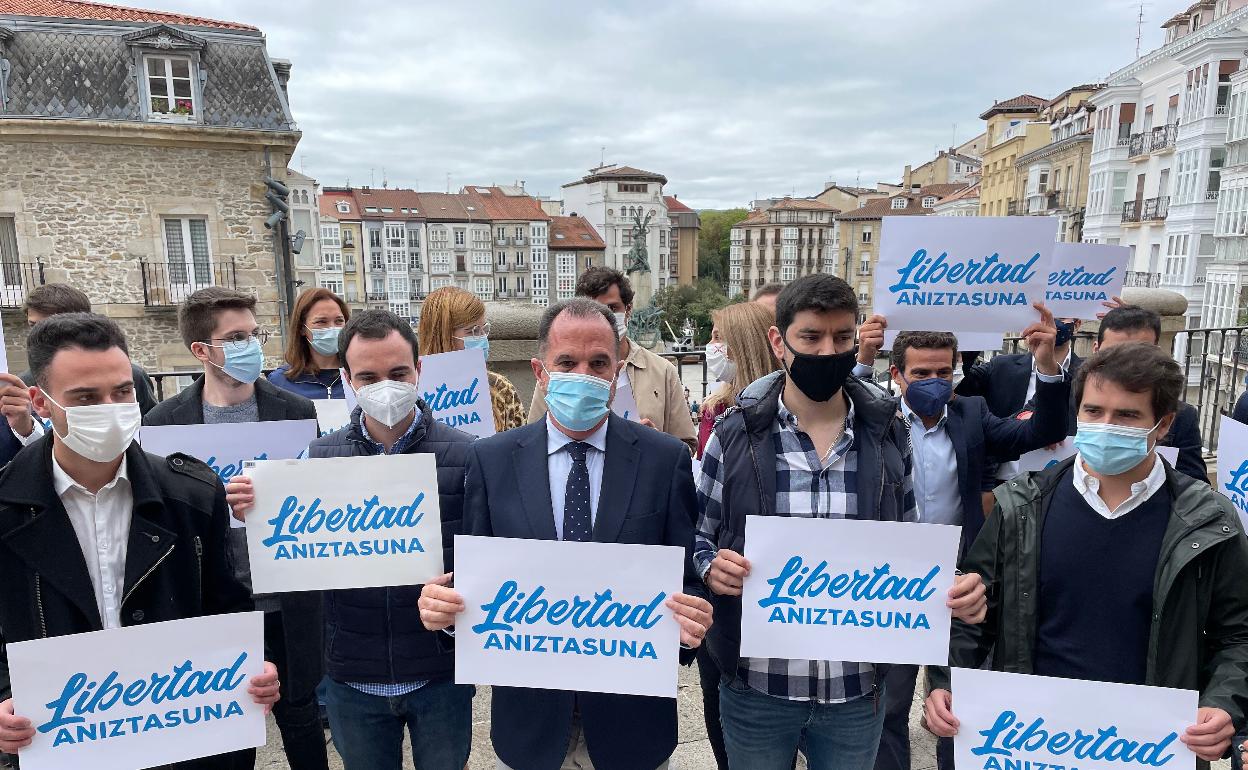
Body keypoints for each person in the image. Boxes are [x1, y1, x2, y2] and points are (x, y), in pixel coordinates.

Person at [694, 275, 987, 770]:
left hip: (857, 692)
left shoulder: (890, 434)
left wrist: (955, 587)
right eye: (810, 337)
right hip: (758, 686)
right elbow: (698, 537)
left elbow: (910, 546)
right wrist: (709, 568)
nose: (828, 351)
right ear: (778, 342)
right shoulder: (733, 434)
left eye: (842, 338)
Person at [418, 298, 713, 770]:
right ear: (540, 370)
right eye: (567, 363)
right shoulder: (491, 461)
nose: (585, 374)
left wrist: (690, 624)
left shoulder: (664, 461)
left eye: (599, 363)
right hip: (530, 725)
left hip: (632, 722)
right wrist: (446, 613)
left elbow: (686, 578)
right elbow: (470, 583)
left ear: (617, 370)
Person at [924, 343, 1248, 766]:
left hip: (1145, 747)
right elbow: (972, 612)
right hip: (1033, 742)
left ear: (1163, 424)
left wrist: (1224, 704)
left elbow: (1237, 634)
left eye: (1127, 415)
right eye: (1094, 412)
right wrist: (945, 683)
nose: (1106, 425)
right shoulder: (1022, 506)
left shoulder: (1208, 521)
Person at [0, 313, 280, 768]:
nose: (110, 407)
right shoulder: (7, 509)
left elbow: (225, 602)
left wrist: (256, 663)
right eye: (86, 398)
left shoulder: (191, 493)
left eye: (122, 391)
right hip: (66, 745)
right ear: (41, 403)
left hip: (184, 743)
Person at [227, 309, 477, 770]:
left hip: (440, 673)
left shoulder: (468, 454)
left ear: (419, 372)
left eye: (399, 373)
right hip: (351, 674)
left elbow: (487, 553)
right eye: (369, 375)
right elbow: (286, 557)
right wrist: (253, 511)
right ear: (346, 379)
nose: (386, 386)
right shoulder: (315, 457)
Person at [852, 320, 1071, 770]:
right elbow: (838, 403)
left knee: (958, 702)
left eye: (943, 373)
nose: (934, 383)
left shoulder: (971, 413)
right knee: (889, 703)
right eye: (920, 374)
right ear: (897, 375)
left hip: (959, 580)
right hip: (893, 581)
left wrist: (1046, 368)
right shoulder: (877, 416)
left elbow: (1036, 432)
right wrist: (861, 361)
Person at [143, 288, 324, 770]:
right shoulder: (163, 423)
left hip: (286, 592)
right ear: (201, 350)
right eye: (236, 337)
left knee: (301, 712)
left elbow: (318, 497)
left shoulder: (295, 412)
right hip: (215, 598)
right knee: (227, 722)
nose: (251, 346)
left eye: (254, 334)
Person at [529, 267, 697, 452]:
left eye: (611, 308)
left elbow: (687, 445)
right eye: (592, 308)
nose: (603, 316)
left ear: (628, 309)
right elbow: (533, 440)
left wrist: (656, 444)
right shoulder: (556, 375)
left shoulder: (662, 371)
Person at [1093, 304, 1208, 482]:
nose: (1124, 367)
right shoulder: (1063, 404)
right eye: (1113, 355)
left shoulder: (1182, 417)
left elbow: (1196, 489)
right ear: (1095, 351)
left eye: (1138, 355)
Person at [18, 283, 157, 414]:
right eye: (33, 326)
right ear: (39, 400)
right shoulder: (24, 384)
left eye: (122, 392)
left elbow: (151, 426)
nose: (40, 335)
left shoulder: (134, 376)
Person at [417, 285, 526, 431]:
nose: (481, 338)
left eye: (484, 329)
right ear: (442, 336)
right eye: (472, 331)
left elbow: (521, 446)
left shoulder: (500, 388)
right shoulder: (412, 392)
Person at [700, 302, 780, 460]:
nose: (710, 345)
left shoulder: (788, 405)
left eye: (717, 337)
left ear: (744, 345)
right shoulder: (714, 409)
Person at [268, 287, 351, 400]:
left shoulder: (361, 377)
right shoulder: (280, 382)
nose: (332, 328)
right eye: (321, 322)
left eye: (339, 321)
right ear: (302, 328)